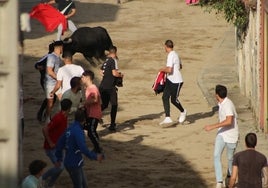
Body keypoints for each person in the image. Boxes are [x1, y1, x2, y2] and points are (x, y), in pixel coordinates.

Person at [55, 109, 103, 188]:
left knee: (84, 185)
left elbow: (59, 144)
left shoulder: (70, 128)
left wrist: (59, 158)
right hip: (74, 163)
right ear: (84, 120)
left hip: (71, 162)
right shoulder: (78, 131)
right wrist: (95, 156)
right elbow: (83, 148)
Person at [204, 84, 239, 188]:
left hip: (232, 135)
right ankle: (219, 181)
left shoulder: (228, 105)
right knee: (216, 155)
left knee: (230, 159)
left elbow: (229, 121)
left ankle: (229, 176)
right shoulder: (222, 103)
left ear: (217, 95)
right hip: (222, 133)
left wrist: (212, 126)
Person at [41, 99, 72, 187]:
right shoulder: (59, 118)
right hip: (51, 148)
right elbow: (45, 129)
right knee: (60, 167)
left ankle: (50, 184)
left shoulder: (64, 117)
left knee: (60, 168)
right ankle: (42, 178)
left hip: (58, 147)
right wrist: (50, 142)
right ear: (69, 108)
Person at [159, 39, 186, 125]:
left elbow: (169, 69)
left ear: (166, 47)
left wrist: (162, 69)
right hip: (170, 80)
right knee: (165, 97)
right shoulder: (176, 54)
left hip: (176, 81)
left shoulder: (171, 55)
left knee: (174, 100)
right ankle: (167, 117)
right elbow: (180, 66)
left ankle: (183, 111)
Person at [99, 45, 123, 131]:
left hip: (102, 86)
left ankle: (95, 116)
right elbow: (114, 73)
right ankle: (112, 124)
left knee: (104, 105)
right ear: (115, 52)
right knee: (114, 104)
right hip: (110, 87)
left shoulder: (106, 61)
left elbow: (101, 72)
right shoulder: (113, 60)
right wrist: (120, 75)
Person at [81, 70, 102, 153]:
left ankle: (98, 148)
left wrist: (85, 103)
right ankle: (97, 146)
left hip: (94, 113)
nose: (81, 79)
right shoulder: (89, 88)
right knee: (91, 130)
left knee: (91, 131)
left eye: (82, 77)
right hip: (91, 113)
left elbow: (95, 99)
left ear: (87, 78)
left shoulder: (92, 88)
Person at [45, 40, 64, 123]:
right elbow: (49, 71)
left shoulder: (57, 57)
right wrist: (58, 78)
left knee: (62, 100)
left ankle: (60, 117)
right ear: (60, 47)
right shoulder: (52, 57)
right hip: (50, 84)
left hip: (56, 83)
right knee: (50, 103)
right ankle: (47, 118)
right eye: (63, 47)